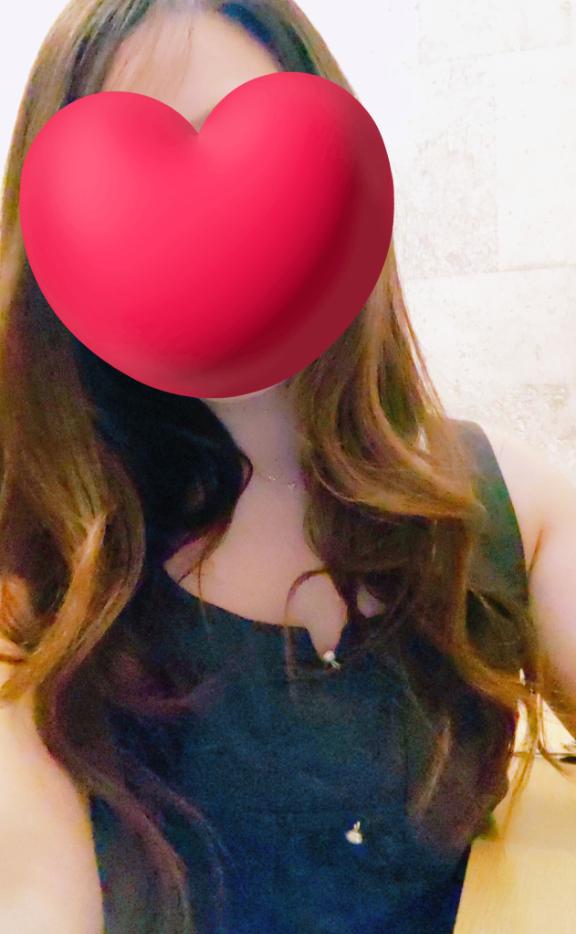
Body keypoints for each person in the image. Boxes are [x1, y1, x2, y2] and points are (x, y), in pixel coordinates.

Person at [0, 2, 574, 933]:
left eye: (252, 151)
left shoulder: (509, 507)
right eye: (132, 182)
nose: (206, 223)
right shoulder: (35, 586)